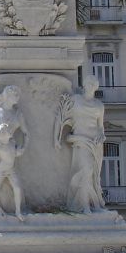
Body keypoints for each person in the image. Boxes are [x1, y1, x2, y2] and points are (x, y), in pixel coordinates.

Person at [54, 77, 107, 213]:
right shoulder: (76, 100)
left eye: (93, 84)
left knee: (93, 175)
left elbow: (100, 127)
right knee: (87, 170)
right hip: (80, 140)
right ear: (84, 85)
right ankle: (83, 205)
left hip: (95, 143)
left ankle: (91, 203)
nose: (90, 86)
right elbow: (60, 118)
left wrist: (101, 135)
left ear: (96, 87)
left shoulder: (99, 106)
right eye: (88, 83)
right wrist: (56, 138)